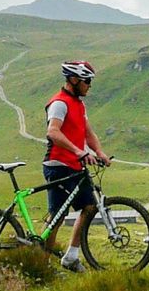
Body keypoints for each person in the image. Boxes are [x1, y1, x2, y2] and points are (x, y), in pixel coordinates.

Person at [43, 61, 111, 272]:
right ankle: (41, 263)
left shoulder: (79, 105)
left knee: (90, 208)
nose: (89, 85)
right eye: (87, 81)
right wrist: (79, 151)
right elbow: (53, 132)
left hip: (75, 166)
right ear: (74, 80)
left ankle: (71, 256)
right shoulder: (59, 103)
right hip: (58, 165)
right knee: (58, 216)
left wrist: (98, 152)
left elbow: (88, 133)